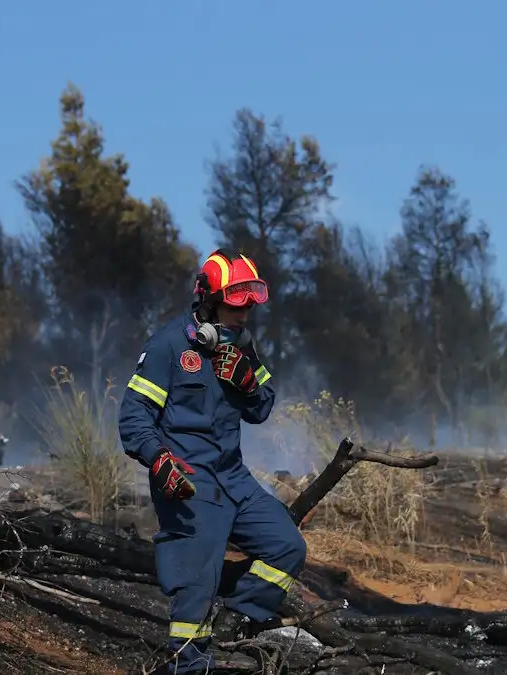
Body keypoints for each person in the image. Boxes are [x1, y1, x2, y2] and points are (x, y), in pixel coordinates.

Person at [118, 248, 307, 674]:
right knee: (196, 578)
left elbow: (262, 408)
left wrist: (247, 383)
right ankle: (187, 665)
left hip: (232, 477)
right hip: (187, 480)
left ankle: (233, 621)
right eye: (234, 306)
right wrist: (158, 457)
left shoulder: (242, 343)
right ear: (206, 300)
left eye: (249, 308)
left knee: (287, 546)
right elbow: (133, 416)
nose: (243, 316)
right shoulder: (169, 345)